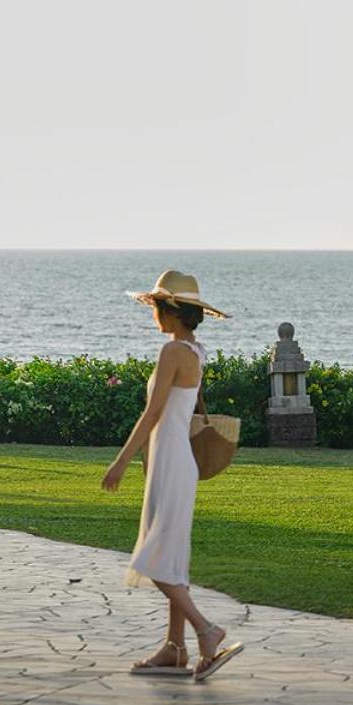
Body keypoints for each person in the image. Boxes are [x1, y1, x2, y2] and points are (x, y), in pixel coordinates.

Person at [102, 270, 244, 682]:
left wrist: (121, 460)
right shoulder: (194, 351)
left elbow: (152, 414)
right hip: (174, 458)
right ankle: (174, 647)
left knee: (155, 556)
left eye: (157, 308)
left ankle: (206, 630)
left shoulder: (172, 354)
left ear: (170, 311)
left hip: (171, 459)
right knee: (171, 555)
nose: (153, 315)